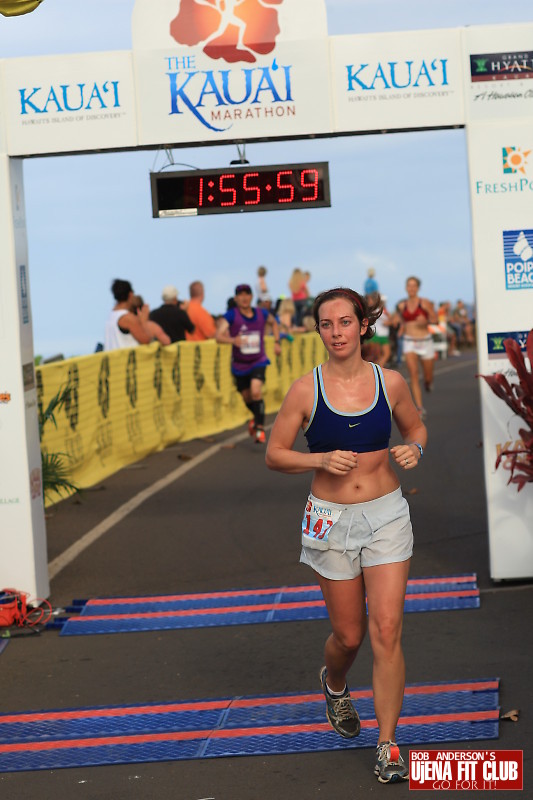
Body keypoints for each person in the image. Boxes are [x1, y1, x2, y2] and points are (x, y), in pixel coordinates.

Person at [265, 287, 427, 784]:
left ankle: (389, 745)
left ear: (362, 326)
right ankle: (334, 682)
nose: (336, 332)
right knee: (349, 635)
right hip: (330, 519)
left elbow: (416, 430)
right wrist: (318, 459)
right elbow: (275, 453)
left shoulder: (391, 381)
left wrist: (413, 451)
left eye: (344, 322)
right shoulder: (304, 389)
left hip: (386, 516)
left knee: (386, 629)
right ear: (319, 331)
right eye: (326, 324)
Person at [216, 283, 281, 444]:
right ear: (236, 298)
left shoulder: (262, 313)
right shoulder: (231, 315)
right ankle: (256, 418)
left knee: (256, 391)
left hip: (258, 360)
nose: (244, 298)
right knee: (247, 397)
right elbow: (218, 336)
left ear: (251, 297)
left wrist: (277, 341)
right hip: (239, 365)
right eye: (240, 295)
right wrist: (233, 340)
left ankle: (259, 428)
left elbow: (274, 323)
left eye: (247, 294)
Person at [396, 276, 438, 417]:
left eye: (414, 286)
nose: (411, 288)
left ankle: (428, 383)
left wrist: (425, 320)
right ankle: (419, 408)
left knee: (427, 377)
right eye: (409, 285)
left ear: (418, 288)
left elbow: (435, 319)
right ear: (406, 288)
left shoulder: (424, 303)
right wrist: (401, 329)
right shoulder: (402, 305)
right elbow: (403, 321)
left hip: (425, 342)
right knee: (413, 374)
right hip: (409, 342)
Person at [104, 279, 152, 351]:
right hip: (126, 361)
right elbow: (146, 341)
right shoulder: (128, 318)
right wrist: (144, 320)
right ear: (130, 294)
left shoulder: (111, 315)